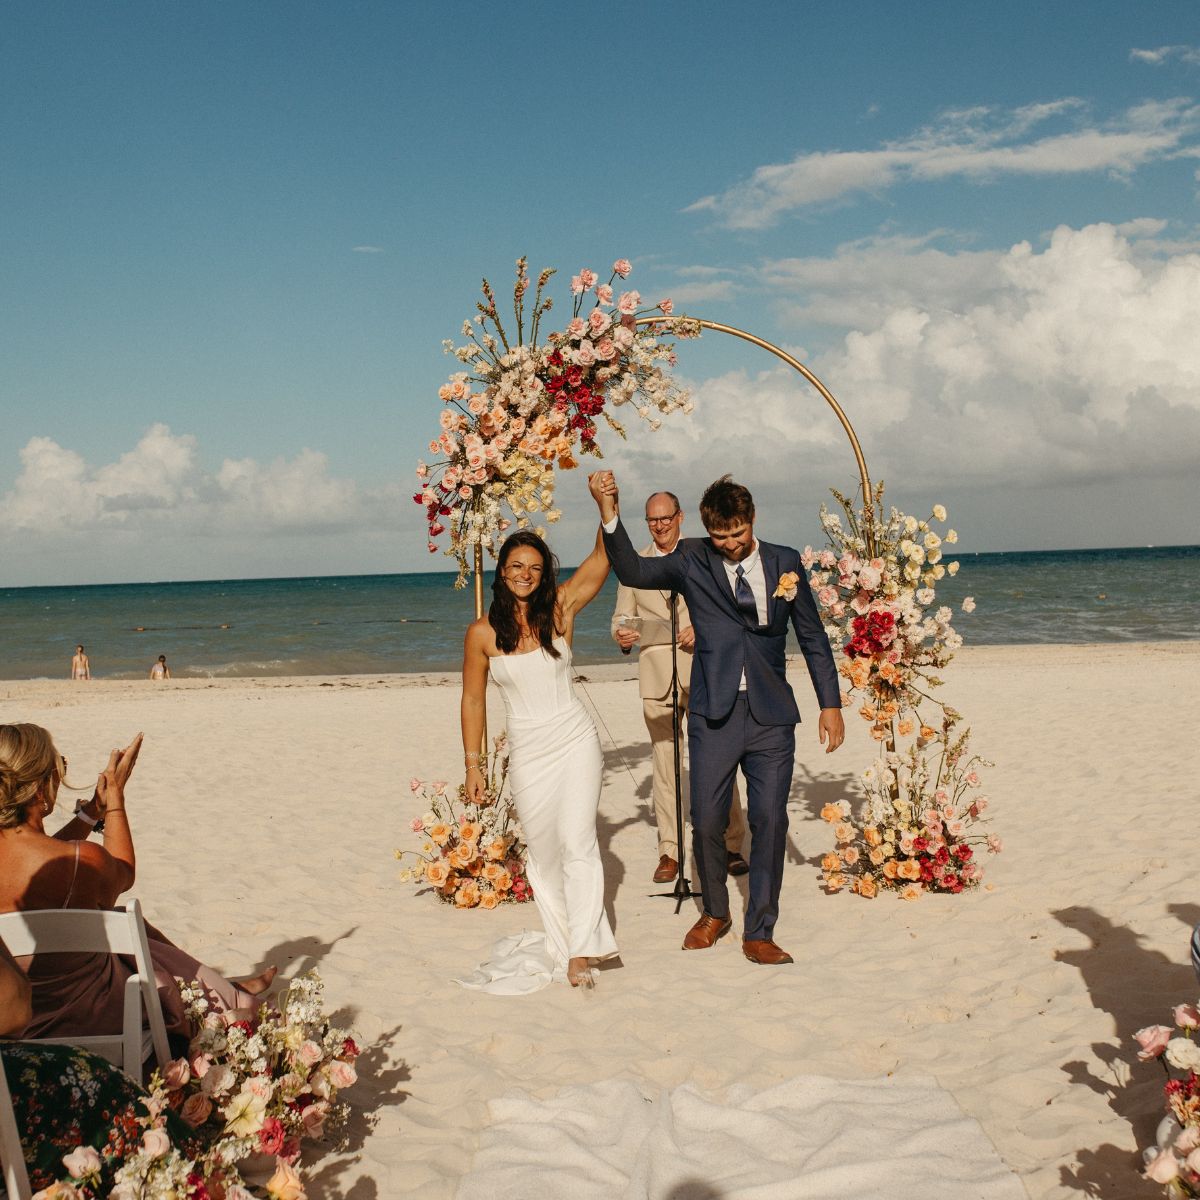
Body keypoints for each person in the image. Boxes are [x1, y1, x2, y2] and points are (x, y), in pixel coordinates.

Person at [591, 471, 845, 966]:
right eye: (720, 536)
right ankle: (715, 912)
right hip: (714, 714)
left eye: (738, 533)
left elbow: (813, 637)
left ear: (752, 521)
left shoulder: (785, 562)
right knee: (706, 819)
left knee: (769, 820)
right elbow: (632, 573)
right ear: (707, 530)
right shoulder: (690, 558)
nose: (730, 545)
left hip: (772, 714)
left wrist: (829, 704)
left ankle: (760, 929)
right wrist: (609, 511)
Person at [0, 723, 275, 1042]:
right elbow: (123, 871)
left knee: (126, 923)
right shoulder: (79, 863)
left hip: (16, 1024)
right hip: (88, 1016)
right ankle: (219, 997)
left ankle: (220, 990)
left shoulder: (64, 862)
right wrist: (115, 797)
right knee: (133, 940)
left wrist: (92, 811)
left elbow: (44, 856)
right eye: (60, 765)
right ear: (40, 788)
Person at [459, 523, 618, 991]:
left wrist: (605, 510)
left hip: (574, 740)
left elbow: (600, 561)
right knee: (545, 857)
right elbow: (472, 701)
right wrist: (474, 766)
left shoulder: (560, 610)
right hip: (529, 752)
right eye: (516, 567)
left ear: (544, 573)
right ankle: (563, 935)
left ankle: (581, 949)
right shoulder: (482, 634)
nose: (525, 574)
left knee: (578, 841)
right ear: (502, 573)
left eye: (534, 567)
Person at [611, 489, 748, 883]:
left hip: (705, 672)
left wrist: (699, 629)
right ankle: (669, 851)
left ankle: (732, 843)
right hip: (657, 678)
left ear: (680, 516)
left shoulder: (705, 555)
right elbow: (623, 616)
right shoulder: (634, 564)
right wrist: (621, 635)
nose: (660, 526)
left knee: (719, 761)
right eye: (653, 520)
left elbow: (730, 611)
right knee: (666, 766)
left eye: (666, 518)